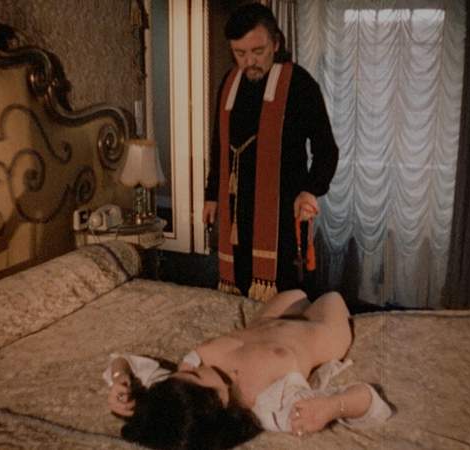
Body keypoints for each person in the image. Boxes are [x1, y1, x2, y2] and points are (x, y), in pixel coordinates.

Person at [104, 290, 393, 450]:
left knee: (297, 291)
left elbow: (123, 361)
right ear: (216, 404)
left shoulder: (178, 393)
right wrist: (332, 406)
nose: (188, 366)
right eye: (194, 374)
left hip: (267, 320)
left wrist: (120, 378)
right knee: (331, 294)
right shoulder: (271, 403)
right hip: (321, 330)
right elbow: (371, 403)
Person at [202, 3, 339, 301]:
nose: (249, 61)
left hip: (282, 215)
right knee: (238, 289)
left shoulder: (300, 84)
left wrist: (310, 190)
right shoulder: (229, 83)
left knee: (284, 298)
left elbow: (327, 150)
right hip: (236, 212)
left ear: (276, 43)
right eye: (239, 53)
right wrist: (211, 194)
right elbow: (218, 144)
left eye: (258, 51)